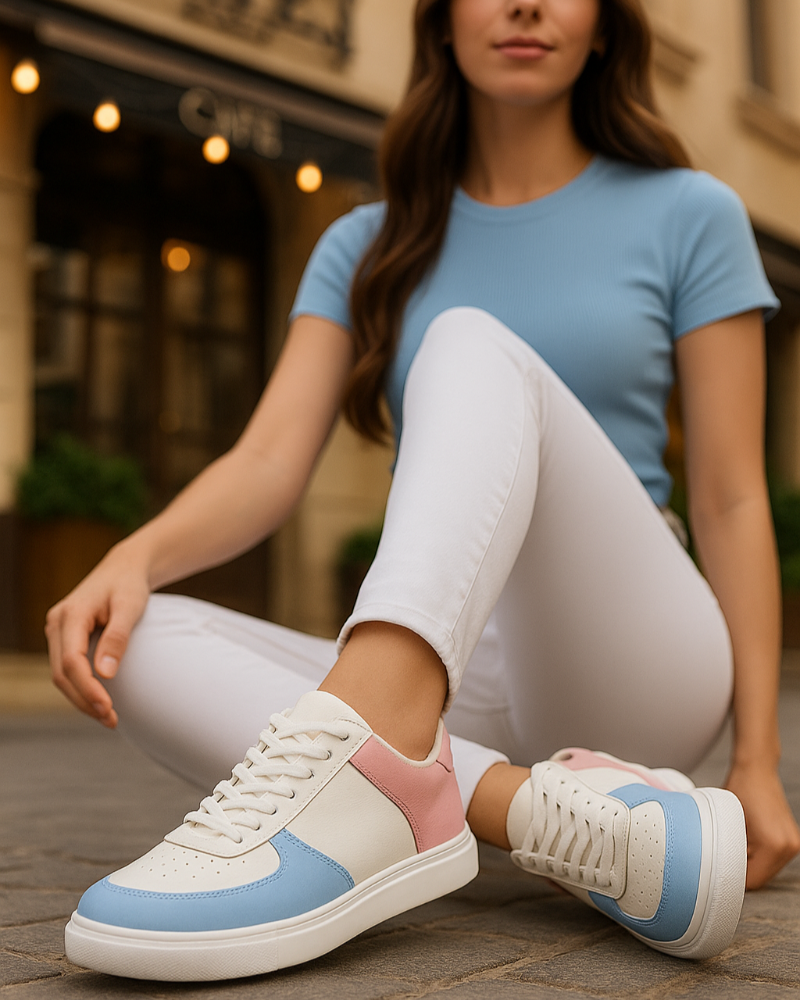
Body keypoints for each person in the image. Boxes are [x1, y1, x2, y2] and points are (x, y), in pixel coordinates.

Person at [47, 0, 800, 983]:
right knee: (127, 639)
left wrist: (755, 761)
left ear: (605, 25)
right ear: (440, 23)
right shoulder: (368, 239)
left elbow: (732, 498)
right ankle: (529, 811)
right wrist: (129, 558)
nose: (523, 6)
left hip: (627, 652)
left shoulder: (686, 212)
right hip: (458, 672)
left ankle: (379, 769)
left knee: (468, 340)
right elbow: (268, 461)